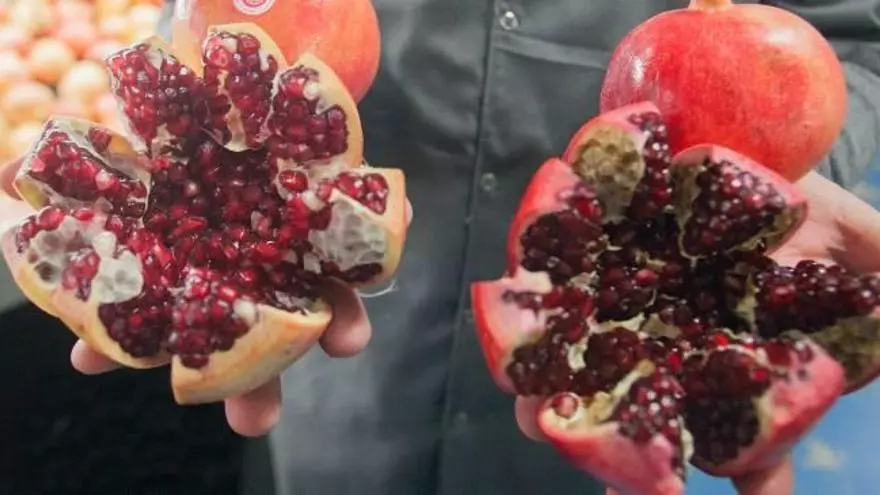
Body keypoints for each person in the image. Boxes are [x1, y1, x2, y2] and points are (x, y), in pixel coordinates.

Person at [1, 0, 879, 494]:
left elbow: (850, 38)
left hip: (557, 437)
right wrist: (209, 75)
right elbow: (204, 19)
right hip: (346, 367)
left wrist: (752, 186)